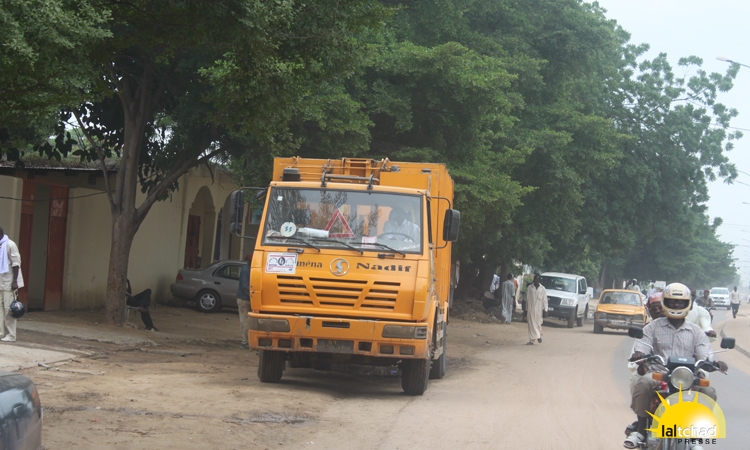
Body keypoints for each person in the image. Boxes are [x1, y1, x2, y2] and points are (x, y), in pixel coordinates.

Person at [624, 283, 728, 449]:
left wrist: (713, 363)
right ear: (666, 302)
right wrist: (640, 356)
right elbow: (642, 347)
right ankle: (642, 429)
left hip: (687, 378)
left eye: (680, 302)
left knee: (709, 391)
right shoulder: (652, 327)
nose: (676, 305)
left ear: (689, 304)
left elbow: (704, 355)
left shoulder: (696, 332)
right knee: (642, 382)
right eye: (672, 301)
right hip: (659, 374)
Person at [0, 227, 23, 342]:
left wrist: (15, 282)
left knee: (9, 309)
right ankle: (1, 332)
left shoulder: (10, 245)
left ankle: (11, 335)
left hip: (8, 283)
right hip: (0, 281)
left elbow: (16, 264)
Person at [525, 274, 548, 345]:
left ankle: (538, 335)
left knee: (538, 324)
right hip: (531, 309)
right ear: (533, 280)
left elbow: (545, 300)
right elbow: (527, 299)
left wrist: (545, 310)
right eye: (535, 279)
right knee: (531, 324)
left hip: (539, 310)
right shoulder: (530, 288)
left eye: (537, 279)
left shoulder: (542, 289)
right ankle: (532, 340)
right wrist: (526, 309)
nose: (536, 281)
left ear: (539, 280)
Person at [237, 252, 252, 349]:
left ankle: (247, 341)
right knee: (245, 321)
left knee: (247, 320)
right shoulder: (247, 270)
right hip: (244, 298)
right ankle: (245, 341)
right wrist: (253, 297)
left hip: (246, 298)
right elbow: (245, 286)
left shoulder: (248, 269)